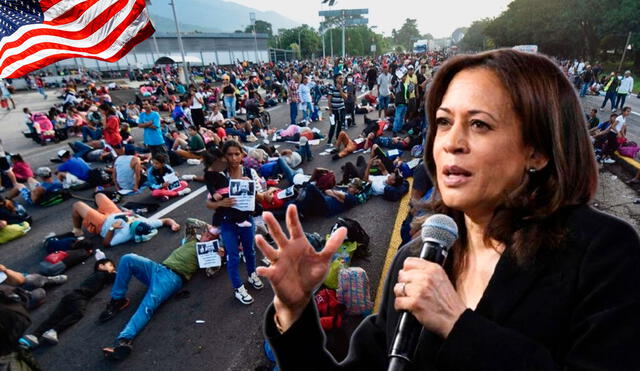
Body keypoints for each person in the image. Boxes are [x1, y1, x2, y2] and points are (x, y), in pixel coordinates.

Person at [257, 50, 640, 370]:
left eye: (479, 124)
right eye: (443, 121)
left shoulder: (602, 254)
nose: (451, 142)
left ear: (537, 150)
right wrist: (293, 310)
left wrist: (457, 325)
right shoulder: (416, 258)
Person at [99, 219, 222, 360]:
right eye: (207, 234)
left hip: (172, 278)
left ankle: (124, 340)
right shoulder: (191, 239)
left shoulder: (209, 252)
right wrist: (208, 226)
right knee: (128, 258)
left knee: (147, 305)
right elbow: (188, 221)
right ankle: (117, 299)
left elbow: (210, 272)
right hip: (157, 268)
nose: (208, 236)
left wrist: (218, 257)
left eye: (212, 237)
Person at [205, 140, 264, 305]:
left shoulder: (249, 172)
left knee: (249, 250)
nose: (233, 158)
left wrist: (249, 185)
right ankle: (238, 287)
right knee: (232, 255)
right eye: (229, 154)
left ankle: (252, 274)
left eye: (237, 154)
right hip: (227, 221)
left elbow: (261, 197)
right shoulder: (219, 174)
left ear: (242, 155)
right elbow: (209, 203)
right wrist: (220, 204)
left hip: (246, 218)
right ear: (224, 156)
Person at [20, 259, 116, 348]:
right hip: (81, 297)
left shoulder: (96, 275)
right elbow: (114, 277)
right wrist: (115, 273)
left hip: (71, 295)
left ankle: (34, 336)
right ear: (101, 266)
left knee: (55, 316)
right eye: (111, 265)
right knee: (78, 313)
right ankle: (54, 330)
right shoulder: (102, 274)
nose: (113, 268)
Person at [70, 192, 180, 247]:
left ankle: (77, 229)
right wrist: (173, 224)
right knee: (99, 195)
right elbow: (166, 220)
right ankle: (93, 212)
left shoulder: (125, 234)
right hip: (116, 213)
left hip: (102, 223)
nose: (132, 222)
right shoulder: (147, 223)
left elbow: (106, 243)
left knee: (77, 205)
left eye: (133, 225)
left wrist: (112, 228)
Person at [327, 75, 347, 145]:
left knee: (339, 125)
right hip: (334, 110)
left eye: (342, 78)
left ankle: (337, 139)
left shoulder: (344, 87)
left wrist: (340, 90)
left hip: (341, 109)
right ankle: (329, 140)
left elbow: (345, 97)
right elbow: (329, 100)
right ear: (336, 79)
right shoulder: (332, 88)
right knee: (333, 125)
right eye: (340, 78)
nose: (342, 80)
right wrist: (330, 110)